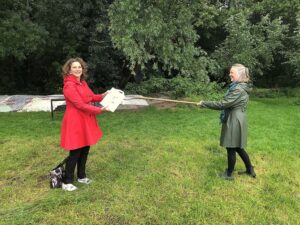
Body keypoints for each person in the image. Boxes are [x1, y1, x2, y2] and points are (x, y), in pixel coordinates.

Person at [198, 64, 256, 180]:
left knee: (231, 147)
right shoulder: (240, 86)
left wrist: (204, 103)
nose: (230, 74)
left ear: (239, 75)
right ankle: (250, 170)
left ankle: (229, 174)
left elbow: (223, 104)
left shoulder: (238, 89)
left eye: (232, 73)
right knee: (238, 147)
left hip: (235, 119)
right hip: (238, 117)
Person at [60, 57, 108, 191]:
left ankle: (81, 176)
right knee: (75, 151)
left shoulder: (82, 82)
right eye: (74, 67)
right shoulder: (69, 85)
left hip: (86, 119)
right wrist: (99, 110)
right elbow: (79, 104)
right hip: (75, 121)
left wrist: (104, 95)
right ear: (69, 70)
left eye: (79, 67)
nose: (77, 69)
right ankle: (67, 181)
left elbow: (91, 97)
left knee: (85, 149)